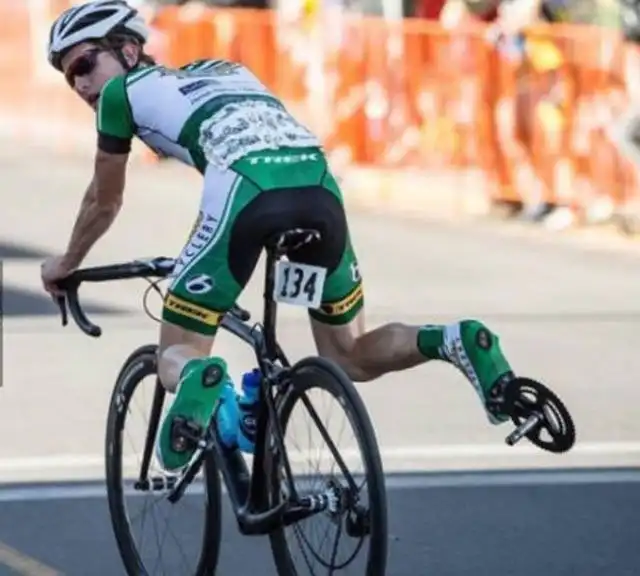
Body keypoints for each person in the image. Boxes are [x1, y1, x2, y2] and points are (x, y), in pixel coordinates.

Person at [40, 0, 518, 473]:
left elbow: (104, 201)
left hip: (247, 191)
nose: (80, 84)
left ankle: (198, 376)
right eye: (68, 77)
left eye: (84, 64)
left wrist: (66, 263)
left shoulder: (120, 95)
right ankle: (451, 340)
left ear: (128, 51)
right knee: (349, 354)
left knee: (177, 351)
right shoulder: (227, 71)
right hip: (319, 188)